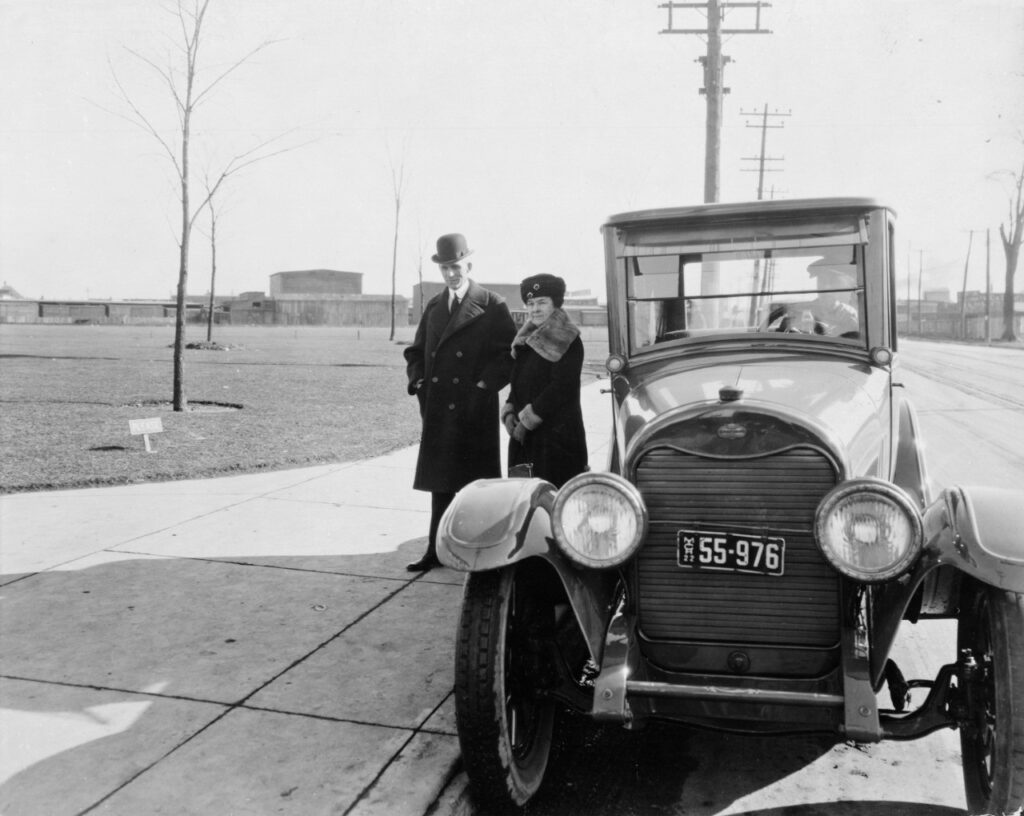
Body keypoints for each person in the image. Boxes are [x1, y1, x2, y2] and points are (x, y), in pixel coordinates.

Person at [403, 233, 516, 572]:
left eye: (456, 267)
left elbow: (508, 355)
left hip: (473, 408)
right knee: (440, 484)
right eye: (445, 268)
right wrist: (418, 381)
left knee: (476, 487)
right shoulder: (434, 306)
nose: (451, 274)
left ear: (469, 265)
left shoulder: (492, 304)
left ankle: (482, 553)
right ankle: (435, 549)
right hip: (439, 408)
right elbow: (415, 351)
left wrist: (483, 385)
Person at [502, 274, 588, 488]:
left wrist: (527, 421)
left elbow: (561, 388)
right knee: (524, 498)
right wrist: (510, 410)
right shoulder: (526, 340)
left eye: (542, 302)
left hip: (556, 440)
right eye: (530, 303)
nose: (535, 309)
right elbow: (518, 382)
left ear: (555, 303)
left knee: (554, 497)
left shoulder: (568, 339)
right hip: (524, 438)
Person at [805, 260, 861, 337]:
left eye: (831, 282)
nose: (825, 287)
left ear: (839, 285)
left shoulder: (849, 315)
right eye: (821, 281)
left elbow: (852, 339)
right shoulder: (807, 309)